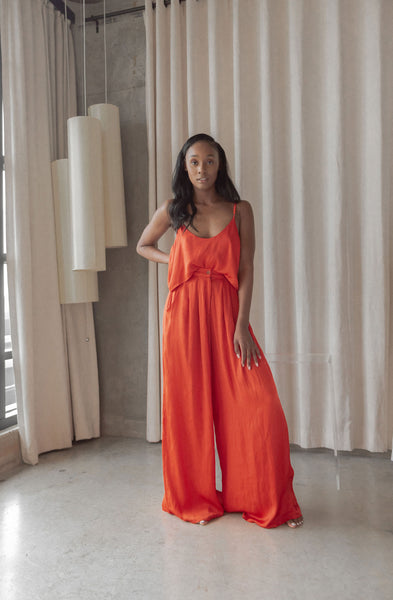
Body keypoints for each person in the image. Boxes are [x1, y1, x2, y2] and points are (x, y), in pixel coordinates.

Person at [136, 133, 303, 529]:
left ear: (220, 165)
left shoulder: (240, 211)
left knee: (260, 406)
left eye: (209, 161)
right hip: (183, 315)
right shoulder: (174, 209)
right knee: (189, 408)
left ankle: (267, 499)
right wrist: (176, 259)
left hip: (228, 315)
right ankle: (193, 500)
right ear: (184, 167)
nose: (202, 169)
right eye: (194, 162)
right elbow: (143, 245)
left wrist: (242, 325)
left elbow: (246, 270)